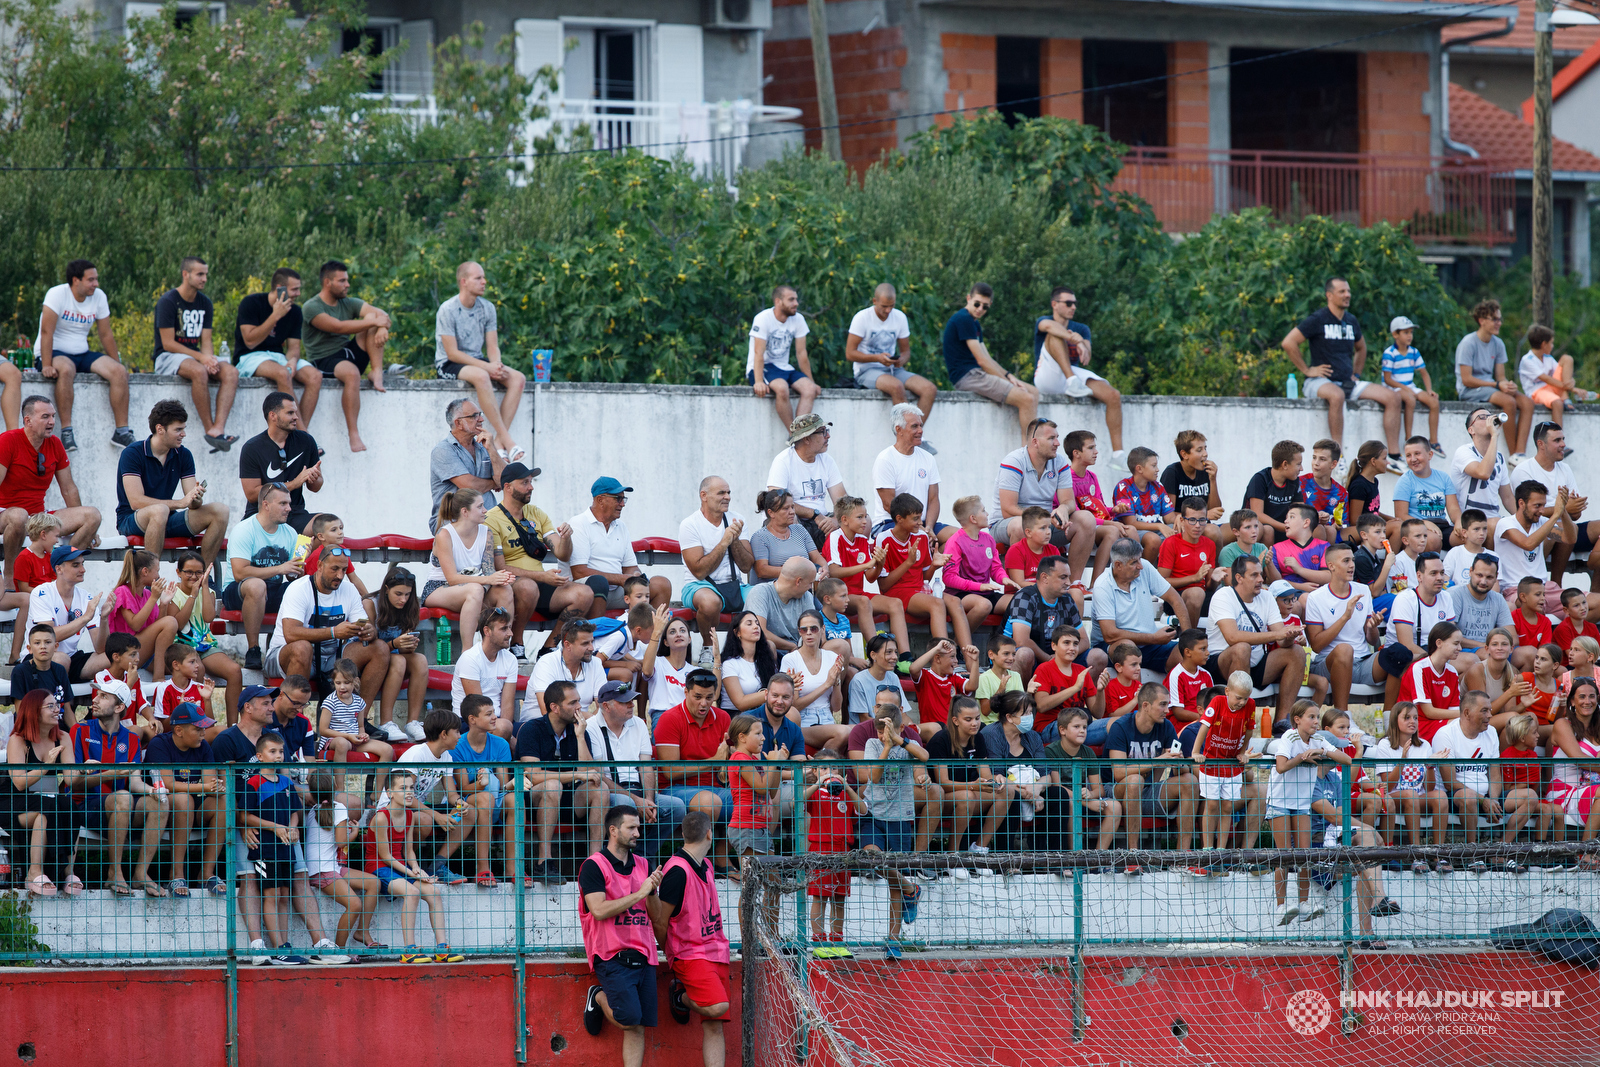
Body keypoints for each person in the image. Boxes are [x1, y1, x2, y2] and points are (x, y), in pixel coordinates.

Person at [1280, 277, 1403, 459]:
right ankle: (1337, 455)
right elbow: (1289, 342)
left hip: (1347, 382)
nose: (1347, 295)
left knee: (1392, 397)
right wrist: (1307, 370)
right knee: (1336, 395)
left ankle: (1394, 456)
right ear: (1329, 295)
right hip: (1319, 382)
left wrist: (1356, 373)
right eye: (1342, 291)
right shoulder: (1318, 319)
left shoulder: (1351, 321)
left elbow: (1361, 348)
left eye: (1348, 291)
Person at [579, 805, 665, 1063]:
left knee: (639, 1025)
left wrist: (651, 891)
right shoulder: (594, 866)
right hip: (611, 955)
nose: (638, 833)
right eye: (632, 827)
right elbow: (599, 910)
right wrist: (639, 892)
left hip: (644, 954)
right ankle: (599, 996)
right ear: (613, 830)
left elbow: (656, 915)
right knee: (627, 1019)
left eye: (638, 827)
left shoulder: (643, 864)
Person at [73, 676, 166, 896]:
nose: (95, 700)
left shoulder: (131, 739)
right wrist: (111, 774)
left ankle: (140, 874)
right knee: (123, 796)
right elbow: (73, 782)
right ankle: (114, 873)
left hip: (120, 806)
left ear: (119, 707)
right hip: (85, 806)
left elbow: (134, 783)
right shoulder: (80, 730)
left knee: (159, 802)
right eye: (97, 695)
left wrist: (153, 791)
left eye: (103, 696)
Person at [651, 809, 732, 1059]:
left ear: (683, 834)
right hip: (691, 955)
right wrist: (673, 953)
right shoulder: (677, 871)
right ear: (709, 833)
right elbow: (660, 922)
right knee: (718, 1007)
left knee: (714, 1025)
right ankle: (681, 997)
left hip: (716, 951)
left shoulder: (706, 864)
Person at [580, 680, 688, 860]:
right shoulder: (591, 728)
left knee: (676, 807)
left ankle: (642, 857)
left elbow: (646, 767)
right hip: (611, 792)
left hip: (637, 791)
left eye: (632, 700)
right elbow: (597, 776)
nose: (632, 705)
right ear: (606, 706)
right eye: (624, 702)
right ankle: (618, 859)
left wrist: (648, 800)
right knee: (627, 805)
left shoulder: (638, 723)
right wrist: (636, 800)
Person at [362, 768, 460, 964]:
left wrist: (417, 869)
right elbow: (386, 856)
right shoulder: (381, 817)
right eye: (402, 788)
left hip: (399, 867)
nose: (409, 792)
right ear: (389, 793)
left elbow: (408, 852)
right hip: (378, 868)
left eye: (411, 788)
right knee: (412, 892)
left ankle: (442, 949)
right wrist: (412, 873)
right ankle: (409, 950)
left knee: (434, 893)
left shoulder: (409, 815)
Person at [115, 399, 230, 564]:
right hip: (132, 519)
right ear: (160, 429)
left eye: (184, 429)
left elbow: (191, 504)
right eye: (178, 430)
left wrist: (195, 498)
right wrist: (180, 503)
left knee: (220, 511)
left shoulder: (184, 454)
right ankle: (151, 581)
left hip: (166, 518)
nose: (183, 434)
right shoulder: (132, 453)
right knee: (159, 511)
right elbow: (136, 502)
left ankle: (202, 578)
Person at [0, 396, 99, 587]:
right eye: (45, 416)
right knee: (19, 515)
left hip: (38, 518)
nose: (52, 422)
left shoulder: (55, 444)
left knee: (92, 516)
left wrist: (88, 529)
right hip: (6, 513)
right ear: (27, 421)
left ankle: (59, 574)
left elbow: (69, 489)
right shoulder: (8, 440)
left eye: (53, 416)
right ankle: (11, 576)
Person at [31, 259, 130, 449]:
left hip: (81, 352)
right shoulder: (57, 294)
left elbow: (105, 334)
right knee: (67, 369)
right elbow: (46, 332)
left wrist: (118, 364)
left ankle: (122, 431)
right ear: (76, 280)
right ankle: (66, 431)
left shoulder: (99, 296)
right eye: (91, 280)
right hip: (54, 351)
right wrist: (46, 364)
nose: (96, 284)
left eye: (96, 279)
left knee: (118, 372)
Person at [267, 549, 388, 702]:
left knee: (380, 648)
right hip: (285, 655)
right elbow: (290, 634)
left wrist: (369, 631)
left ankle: (359, 717)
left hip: (332, 657)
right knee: (302, 648)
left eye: (344, 570)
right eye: (335, 569)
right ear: (320, 565)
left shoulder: (349, 589)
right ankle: (295, 721)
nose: (340, 575)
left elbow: (364, 625)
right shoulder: (299, 588)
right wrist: (333, 632)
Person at [517, 679, 608, 880]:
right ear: (555, 707)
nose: (579, 707)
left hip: (568, 799)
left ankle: (596, 862)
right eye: (573, 703)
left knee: (600, 790)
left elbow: (591, 773)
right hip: (535, 800)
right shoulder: (532, 729)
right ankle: (544, 861)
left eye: (579, 702)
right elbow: (534, 775)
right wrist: (575, 775)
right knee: (552, 785)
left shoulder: (578, 730)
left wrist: (580, 738)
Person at [435, 260, 525, 460]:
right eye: (479, 278)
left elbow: (492, 346)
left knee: (518, 378)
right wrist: (487, 367)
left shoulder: (488, 308)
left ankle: (499, 442)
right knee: (483, 376)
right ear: (464, 281)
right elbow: (452, 353)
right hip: (449, 363)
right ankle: (507, 441)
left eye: (484, 277)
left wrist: (497, 365)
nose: (484, 281)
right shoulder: (447, 309)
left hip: (478, 360)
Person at [300, 260, 390, 453]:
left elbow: (379, 313)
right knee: (352, 373)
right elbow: (337, 327)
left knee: (370, 318)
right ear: (327, 282)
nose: (347, 285)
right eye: (342, 281)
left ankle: (376, 371)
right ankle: (354, 434)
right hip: (324, 359)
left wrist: (381, 325)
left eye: (347, 280)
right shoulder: (311, 307)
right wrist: (377, 321)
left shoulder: (348, 302)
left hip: (347, 352)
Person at [859, 704, 926, 959]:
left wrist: (900, 740)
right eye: (879, 732)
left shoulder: (907, 743)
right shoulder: (874, 745)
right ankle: (912, 888)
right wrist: (886, 745)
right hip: (875, 814)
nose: (881, 736)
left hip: (900, 818)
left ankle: (893, 940)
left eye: (886, 732)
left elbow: (925, 757)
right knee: (873, 857)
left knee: (893, 885)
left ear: (899, 728)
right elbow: (874, 777)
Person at [1207, 555, 1308, 724]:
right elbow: (1232, 637)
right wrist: (1278, 634)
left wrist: (1290, 636)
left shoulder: (1267, 597)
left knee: (1296, 652)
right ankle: (1239, 720)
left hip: (1256, 663)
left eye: (1261, 574)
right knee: (1241, 648)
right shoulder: (1223, 595)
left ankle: (1282, 722)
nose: (1261, 579)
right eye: (1254, 575)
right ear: (1238, 578)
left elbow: (1282, 640)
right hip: (1223, 663)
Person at [653, 670, 734, 876]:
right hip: (675, 789)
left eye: (709, 697)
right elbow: (670, 772)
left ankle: (730, 860)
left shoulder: (723, 717)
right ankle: (699, 863)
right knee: (711, 802)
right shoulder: (669, 719)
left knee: (753, 799)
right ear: (686, 692)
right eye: (697, 697)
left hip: (715, 787)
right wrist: (713, 762)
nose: (704, 703)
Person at [1107, 683, 1197, 867]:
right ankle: (1133, 856)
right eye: (1162, 705)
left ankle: (1182, 857)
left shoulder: (1166, 727)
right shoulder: (1121, 726)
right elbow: (1117, 772)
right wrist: (1158, 760)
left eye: (1168, 704)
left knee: (1190, 781)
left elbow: (1182, 772)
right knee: (1135, 780)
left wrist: (1178, 762)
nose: (1167, 710)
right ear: (1146, 705)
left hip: (1150, 791)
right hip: (1117, 792)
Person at [152, 257, 238, 452]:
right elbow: (168, 343)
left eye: (206, 274)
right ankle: (210, 431)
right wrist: (201, 359)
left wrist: (210, 360)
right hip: (167, 356)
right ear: (186, 274)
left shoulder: (205, 303)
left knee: (230, 372)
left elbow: (206, 341)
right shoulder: (168, 301)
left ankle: (219, 428)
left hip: (193, 356)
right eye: (200, 274)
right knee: (200, 372)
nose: (204, 279)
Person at [992, 419, 1095, 580]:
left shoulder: (1059, 462)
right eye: (1051, 438)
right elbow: (1008, 509)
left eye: (1057, 437)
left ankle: (1073, 583)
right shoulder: (1014, 461)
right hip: (1006, 523)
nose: (1057, 443)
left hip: (1046, 523)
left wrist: (1063, 509)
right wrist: (1044, 519)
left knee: (1086, 519)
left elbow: (1069, 502)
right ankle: (1021, 586)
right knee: (1022, 525)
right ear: (1035, 442)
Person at [141, 699, 224, 897]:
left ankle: (207, 872)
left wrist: (218, 787)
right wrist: (205, 786)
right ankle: (176, 872)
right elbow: (168, 785)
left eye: (204, 728)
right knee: (183, 799)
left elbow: (210, 782)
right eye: (198, 729)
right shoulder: (159, 744)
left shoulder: (202, 746)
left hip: (190, 807)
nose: (204, 734)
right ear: (179, 730)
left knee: (223, 802)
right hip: (158, 805)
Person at [1033, 285, 1124, 466]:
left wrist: (1083, 344)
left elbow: (1086, 357)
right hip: (1047, 375)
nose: (1073, 307)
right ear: (1055, 304)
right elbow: (1048, 327)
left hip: (1071, 372)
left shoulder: (1081, 329)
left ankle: (1118, 455)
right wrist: (1073, 338)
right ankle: (1072, 381)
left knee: (1113, 395)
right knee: (1054, 334)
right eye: (1068, 303)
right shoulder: (1044, 320)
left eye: (1075, 303)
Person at [6, 690, 80, 898]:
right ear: (33, 711)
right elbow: (19, 783)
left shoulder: (63, 737)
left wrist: (83, 770)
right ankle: (34, 872)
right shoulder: (18, 740)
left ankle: (68, 872)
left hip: (45, 801)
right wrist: (47, 765)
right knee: (45, 809)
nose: (58, 710)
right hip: (13, 801)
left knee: (68, 805)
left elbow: (72, 780)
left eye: (57, 705)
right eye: (50, 706)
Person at [219, 482, 301, 670]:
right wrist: (281, 568)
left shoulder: (290, 532)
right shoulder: (244, 529)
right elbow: (240, 572)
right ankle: (253, 649)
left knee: (306, 588)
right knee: (256, 586)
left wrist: (297, 572)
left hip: (271, 589)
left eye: (289, 503)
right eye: (283, 504)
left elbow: (289, 576)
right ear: (266, 505)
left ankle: (284, 650)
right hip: (238, 591)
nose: (289, 508)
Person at [1189, 672, 1266, 871]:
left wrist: (1242, 752)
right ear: (1227, 691)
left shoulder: (1250, 706)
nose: (1241, 702)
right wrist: (1196, 752)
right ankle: (1207, 849)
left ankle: (1221, 851)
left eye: (1245, 698)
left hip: (1231, 764)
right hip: (1212, 761)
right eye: (1238, 697)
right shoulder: (1217, 702)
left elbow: (1249, 730)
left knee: (1228, 806)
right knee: (1212, 803)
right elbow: (1203, 728)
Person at [942, 282, 1037, 443]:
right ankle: (1028, 453)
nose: (980, 309)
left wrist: (1008, 376)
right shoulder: (963, 318)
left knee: (1033, 392)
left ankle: (1032, 444)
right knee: (1026, 399)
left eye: (985, 306)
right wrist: (1008, 381)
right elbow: (982, 361)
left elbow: (987, 359)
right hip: (968, 377)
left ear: (990, 305)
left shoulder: (974, 323)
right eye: (977, 304)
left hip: (977, 374)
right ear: (968, 298)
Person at [423, 487, 514, 646]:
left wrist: (499, 578)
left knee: (505, 590)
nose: (485, 510)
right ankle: (468, 652)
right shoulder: (444, 534)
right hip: (439, 588)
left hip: (475, 588)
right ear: (465, 512)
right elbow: (452, 579)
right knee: (475, 589)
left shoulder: (486, 533)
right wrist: (488, 579)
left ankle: (497, 647)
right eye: (480, 506)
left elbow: (488, 571)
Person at [303, 769, 381, 954]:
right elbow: (341, 842)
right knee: (354, 904)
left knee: (373, 883)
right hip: (323, 871)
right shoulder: (338, 808)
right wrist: (354, 833)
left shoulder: (314, 810)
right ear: (335, 787)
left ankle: (362, 931)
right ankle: (339, 950)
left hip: (329, 867)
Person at [563, 476, 670, 610]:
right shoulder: (579, 523)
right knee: (599, 583)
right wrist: (620, 579)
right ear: (600, 500)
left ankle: (651, 630)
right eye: (618, 499)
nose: (623, 504)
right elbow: (579, 572)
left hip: (617, 592)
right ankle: (597, 630)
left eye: (623, 499)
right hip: (588, 593)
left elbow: (630, 567)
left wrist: (636, 576)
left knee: (662, 584)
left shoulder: (621, 526)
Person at [1511, 421, 1599, 582]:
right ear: (1541, 444)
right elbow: (1526, 513)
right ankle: (1553, 583)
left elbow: (1575, 515)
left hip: (1566, 528)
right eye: (1557, 440)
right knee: (1560, 528)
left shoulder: (1565, 468)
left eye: (1563, 439)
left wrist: (1573, 509)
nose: (1564, 444)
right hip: (1537, 530)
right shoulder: (1523, 470)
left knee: (1578, 526)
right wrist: (1564, 508)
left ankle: (1596, 588)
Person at [678, 475, 753, 662]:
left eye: (729, 492)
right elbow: (699, 571)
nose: (727, 497)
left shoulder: (737, 519)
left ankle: (752, 652)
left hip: (735, 586)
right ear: (704, 495)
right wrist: (724, 541)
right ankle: (707, 648)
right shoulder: (690, 524)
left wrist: (734, 540)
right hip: (699, 586)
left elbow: (746, 566)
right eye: (721, 493)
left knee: (764, 595)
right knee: (710, 602)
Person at [1304, 542, 1386, 710]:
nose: (1352, 565)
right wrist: (1344, 617)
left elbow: (1372, 641)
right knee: (1344, 649)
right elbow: (1317, 646)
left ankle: (1389, 718)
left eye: (1353, 560)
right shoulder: (1316, 597)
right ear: (1331, 566)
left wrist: (1372, 628)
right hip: (1328, 663)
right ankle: (1342, 716)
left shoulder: (1363, 590)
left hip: (1362, 661)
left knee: (1399, 655)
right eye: (1346, 561)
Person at [232, 269, 320, 423]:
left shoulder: (295, 311)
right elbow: (250, 341)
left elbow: (294, 347)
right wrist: (275, 316)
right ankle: (303, 435)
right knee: (282, 373)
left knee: (315, 376)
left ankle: (299, 434)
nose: (298, 293)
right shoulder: (251, 303)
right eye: (294, 289)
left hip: (277, 356)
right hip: (250, 356)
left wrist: (292, 360)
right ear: (280, 288)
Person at [449, 694, 517, 889]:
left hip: (495, 799)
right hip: (469, 803)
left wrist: (510, 785)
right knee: (486, 797)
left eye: (494, 712)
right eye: (489, 714)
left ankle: (512, 867)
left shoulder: (501, 745)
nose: (495, 717)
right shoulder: (458, 746)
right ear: (472, 719)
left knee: (514, 800)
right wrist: (481, 785)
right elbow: (461, 787)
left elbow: (504, 786)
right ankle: (482, 867)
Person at [1091, 538, 1187, 674]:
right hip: (1113, 646)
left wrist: (1188, 637)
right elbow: (1110, 635)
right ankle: (1136, 695)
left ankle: (1175, 694)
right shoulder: (1102, 585)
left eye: (1140, 559)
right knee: (1129, 651)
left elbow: (1175, 599)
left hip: (1150, 643)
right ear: (1118, 565)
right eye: (1134, 562)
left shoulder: (1145, 568)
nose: (1141, 566)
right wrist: (1153, 638)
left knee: (1188, 653)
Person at [1456, 298, 1534, 462]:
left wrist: (1507, 385)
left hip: (1491, 386)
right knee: (1509, 402)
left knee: (1526, 402)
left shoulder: (1498, 344)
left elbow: (1500, 377)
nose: (1499, 323)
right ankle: (1513, 454)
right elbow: (1466, 379)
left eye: (1500, 319)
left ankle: (1520, 453)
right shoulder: (1468, 343)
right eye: (1495, 319)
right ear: (1482, 320)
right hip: (1470, 389)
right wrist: (1497, 385)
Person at [848, 283, 935, 421]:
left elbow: (906, 352)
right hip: (866, 370)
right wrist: (877, 358)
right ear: (874, 301)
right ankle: (907, 435)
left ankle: (915, 434)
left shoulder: (900, 317)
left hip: (893, 369)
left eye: (892, 305)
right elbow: (850, 353)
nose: (888, 310)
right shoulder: (862, 318)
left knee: (929, 389)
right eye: (884, 306)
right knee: (897, 386)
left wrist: (901, 360)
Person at [238, 391, 322, 535]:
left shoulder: (306, 441)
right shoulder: (252, 448)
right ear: (273, 416)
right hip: (262, 515)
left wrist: (314, 477)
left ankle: (301, 557)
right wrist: (294, 483)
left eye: (295, 412)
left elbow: (316, 487)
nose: (296, 417)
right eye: (290, 413)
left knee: (326, 525)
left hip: (294, 512)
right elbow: (252, 494)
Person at [1431, 689, 1502, 857]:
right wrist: (1482, 799)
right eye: (1484, 711)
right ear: (1467, 713)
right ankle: (1472, 852)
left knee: (1527, 797)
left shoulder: (1491, 732)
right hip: (1455, 796)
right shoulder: (1445, 735)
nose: (1490, 715)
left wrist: (1492, 800)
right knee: (1469, 797)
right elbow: (1449, 782)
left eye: (1490, 710)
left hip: (1486, 797)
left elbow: (1495, 775)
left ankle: (1501, 850)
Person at [871, 403, 950, 544]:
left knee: (961, 539)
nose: (920, 430)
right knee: (920, 541)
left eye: (921, 425)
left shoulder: (928, 458)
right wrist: (920, 530)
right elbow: (889, 505)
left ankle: (932, 562)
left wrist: (929, 528)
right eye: (914, 426)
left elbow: (933, 499)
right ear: (899, 429)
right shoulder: (885, 459)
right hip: (890, 523)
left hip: (923, 524)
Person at [1007, 556, 1094, 682]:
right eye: (1063, 577)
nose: (1069, 582)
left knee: (1097, 656)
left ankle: (1077, 700)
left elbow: (1084, 640)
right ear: (1044, 578)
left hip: (1056, 656)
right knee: (1024, 654)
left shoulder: (1067, 599)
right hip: (1017, 656)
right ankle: (1024, 700)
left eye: (1069, 577)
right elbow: (1021, 641)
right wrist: (1050, 660)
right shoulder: (1025, 597)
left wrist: (1064, 655)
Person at [28, 545, 107, 684]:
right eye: (76, 565)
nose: (83, 569)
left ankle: (103, 703)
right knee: (60, 659)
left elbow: (100, 648)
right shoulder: (41, 593)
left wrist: (104, 619)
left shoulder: (86, 597)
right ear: (59, 569)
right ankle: (61, 704)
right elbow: (48, 635)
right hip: (40, 657)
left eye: (83, 563)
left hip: (71, 658)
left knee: (115, 657)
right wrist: (85, 618)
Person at [745, 284, 819, 430]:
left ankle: (799, 433)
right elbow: (758, 353)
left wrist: (811, 381)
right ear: (778, 301)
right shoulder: (763, 319)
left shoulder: (798, 319)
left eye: (796, 299)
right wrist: (758, 381)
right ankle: (793, 434)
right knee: (782, 388)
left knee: (810, 389)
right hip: (763, 367)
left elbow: (801, 353)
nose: (796, 303)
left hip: (784, 367)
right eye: (791, 299)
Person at [767, 414, 846, 547]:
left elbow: (843, 501)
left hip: (821, 521)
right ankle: (803, 563)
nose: (828, 436)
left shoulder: (827, 460)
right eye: (822, 432)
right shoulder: (783, 461)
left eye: (827, 431)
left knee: (860, 518)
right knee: (790, 520)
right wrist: (814, 514)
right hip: (796, 520)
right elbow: (775, 501)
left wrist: (834, 520)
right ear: (807, 438)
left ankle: (847, 563)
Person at [1498, 481, 1573, 615]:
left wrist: (1563, 512)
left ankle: (1562, 627)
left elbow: (1569, 539)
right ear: (1521, 503)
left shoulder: (1542, 522)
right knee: (1534, 604)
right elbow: (1528, 544)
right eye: (1537, 506)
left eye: (1544, 505)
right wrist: (1555, 515)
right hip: (1517, 591)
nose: (1542, 511)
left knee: (1593, 603)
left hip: (1546, 589)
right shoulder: (1505, 524)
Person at [107, 547, 178, 684]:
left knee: (182, 666)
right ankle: (158, 678)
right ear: (145, 571)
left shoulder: (147, 594)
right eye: (157, 570)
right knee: (171, 622)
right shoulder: (123, 591)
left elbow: (159, 628)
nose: (158, 575)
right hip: (126, 649)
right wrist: (154, 599)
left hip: (143, 651)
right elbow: (135, 624)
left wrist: (163, 604)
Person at [779, 613, 848, 752]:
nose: (809, 633)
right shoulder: (790, 660)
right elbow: (795, 706)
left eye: (814, 629)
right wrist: (826, 684)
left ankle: (818, 764)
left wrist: (835, 683)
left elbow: (836, 707)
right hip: (803, 722)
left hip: (827, 720)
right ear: (800, 632)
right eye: (804, 629)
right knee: (844, 732)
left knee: (858, 730)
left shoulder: (832, 657)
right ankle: (819, 764)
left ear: (822, 629)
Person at [526, 612, 608, 719]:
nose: (592, 648)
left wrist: (589, 722)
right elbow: (548, 711)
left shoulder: (595, 663)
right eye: (585, 643)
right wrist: (589, 718)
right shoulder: (547, 662)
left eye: (592, 642)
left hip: (580, 727)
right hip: (541, 728)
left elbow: (604, 706)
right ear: (567, 645)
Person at [450, 609, 520, 736]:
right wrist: (506, 732)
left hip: (500, 721)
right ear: (487, 631)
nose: (510, 633)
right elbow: (478, 708)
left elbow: (507, 708)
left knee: (531, 731)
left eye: (510, 628)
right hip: (470, 722)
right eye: (504, 629)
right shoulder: (470, 658)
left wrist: (509, 733)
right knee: (502, 728)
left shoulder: (510, 659)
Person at [1380, 316, 1442, 454]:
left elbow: (1424, 373)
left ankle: (1434, 441)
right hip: (1393, 387)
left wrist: (1429, 390)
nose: (1410, 336)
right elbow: (1388, 379)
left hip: (1409, 385)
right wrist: (1406, 389)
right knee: (1410, 399)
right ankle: (1409, 438)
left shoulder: (1414, 352)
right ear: (1395, 334)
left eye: (1411, 332)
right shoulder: (1390, 353)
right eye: (1406, 332)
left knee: (1434, 402)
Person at [1160, 430, 1228, 549]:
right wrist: (1205, 516)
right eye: (1199, 450)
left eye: (1205, 448)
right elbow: (1168, 517)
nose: (1205, 454)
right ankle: (1215, 566)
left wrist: (1213, 480)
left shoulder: (1205, 471)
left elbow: (1215, 510)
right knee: (1212, 531)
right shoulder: (1172, 473)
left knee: (1246, 528)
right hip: (1184, 527)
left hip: (1205, 524)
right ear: (1184, 454)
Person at [1159, 498, 1219, 623]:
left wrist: (1215, 579)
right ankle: (1190, 638)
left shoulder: (1209, 544)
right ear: (1182, 520)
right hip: (1176, 597)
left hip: (1202, 596)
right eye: (1192, 520)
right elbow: (1161, 583)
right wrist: (1194, 578)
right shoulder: (1171, 543)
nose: (1197, 525)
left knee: (1229, 596)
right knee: (1196, 593)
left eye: (1202, 520)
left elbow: (1209, 587)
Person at [746, 557, 822, 653]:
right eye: (810, 583)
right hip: (767, 653)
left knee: (840, 645)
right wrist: (791, 647)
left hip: (797, 652)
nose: (810, 587)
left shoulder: (806, 596)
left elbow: (813, 628)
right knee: (770, 646)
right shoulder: (760, 592)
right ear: (798, 581)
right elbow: (759, 632)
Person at [1114, 446, 1177, 561]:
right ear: (1139, 469)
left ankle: (1170, 575)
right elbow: (1132, 523)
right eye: (1153, 466)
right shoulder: (1123, 487)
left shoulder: (1158, 487)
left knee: (1183, 532)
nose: (1157, 469)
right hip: (1133, 532)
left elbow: (1170, 518)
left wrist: (1181, 520)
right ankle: (1143, 573)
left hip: (1155, 529)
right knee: (1153, 540)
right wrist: (1159, 525)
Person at [750, 489, 826, 584]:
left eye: (792, 507)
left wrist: (824, 568)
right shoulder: (760, 537)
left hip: (802, 589)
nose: (792, 512)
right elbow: (762, 570)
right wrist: (797, 572)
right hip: (774, 593)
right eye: (786, 508)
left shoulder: (799, 529)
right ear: (771, 513)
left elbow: (817, 557)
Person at [1243, 440, 1306, 545]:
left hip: (1284, 528)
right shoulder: (1260, 479)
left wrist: (1315, 516)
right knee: (1268, 530)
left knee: (1317, 528)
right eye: (1298, 464)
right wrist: (1285, 527)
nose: (1302, 469)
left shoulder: (1294, 481)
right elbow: (1257, 515)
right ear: (1285, 464)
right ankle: (1266, 561)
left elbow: (1300, 511)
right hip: (1262, 530)